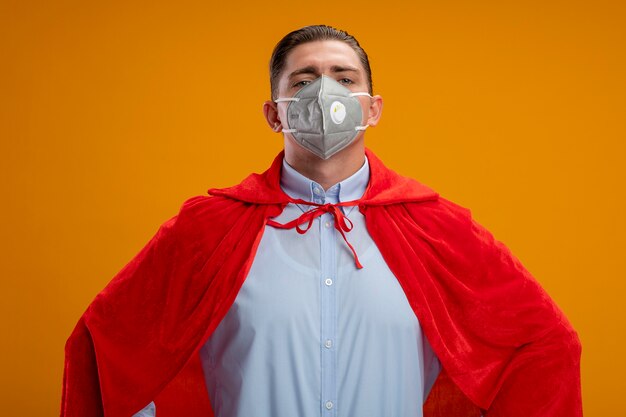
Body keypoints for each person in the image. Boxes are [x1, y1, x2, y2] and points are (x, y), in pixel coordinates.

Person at [61, 25, 583, 417]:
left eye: (343, 78)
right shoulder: (208, 230)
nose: (324, 92)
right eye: (304, 79)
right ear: (274, 113)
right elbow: (105, 350)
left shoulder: (437, 229)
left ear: (372, 108)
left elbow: (544, 346)